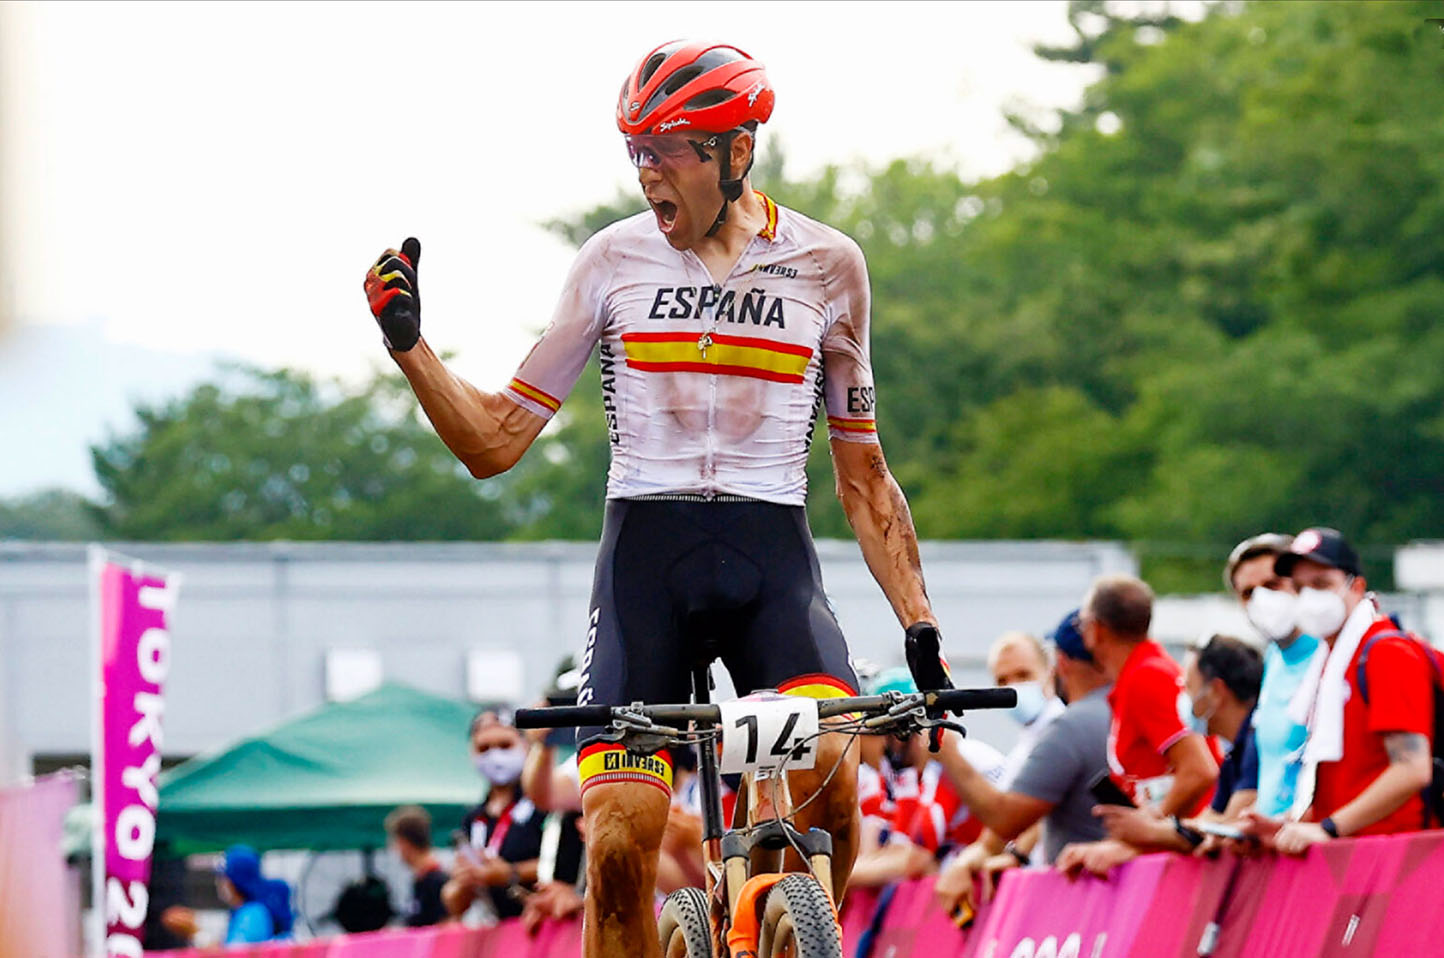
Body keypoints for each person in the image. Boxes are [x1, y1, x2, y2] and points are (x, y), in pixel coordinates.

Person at [364, 40, 953, 958]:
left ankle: (784, 927)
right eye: (636, 151)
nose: (646, 173)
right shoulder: (612, 260)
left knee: (833, 781)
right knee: (616, 845)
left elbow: (864, 472)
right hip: (646, 566)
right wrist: (411, 347)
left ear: (737, 151)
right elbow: (494, 442)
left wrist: (920, 626)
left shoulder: (829, 264)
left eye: (669, 150)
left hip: (771, 563)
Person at [1245, 528, 1437, 854]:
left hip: (1396, 855)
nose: (1309, 598)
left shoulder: (1386, 653)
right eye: (1299, 588)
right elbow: (1344, 777)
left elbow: (1412, 769)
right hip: (1354, 854)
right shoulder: (1330, 663)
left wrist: (1329, 828)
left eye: (1321, 584)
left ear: (1356, 587)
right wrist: (1290, 826)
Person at [934, 610, 1110, 915]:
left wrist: (949, 754)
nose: (1013, 686)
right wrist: (970, 860)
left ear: (1051, 672)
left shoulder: (1062, 730)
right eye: (1002, 680)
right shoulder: (1024, 748)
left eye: (1023, 675)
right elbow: (997, 834)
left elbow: (1012, 817)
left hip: (1078, 893)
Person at [1055, 575, 1219, 877]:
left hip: (1185, 863)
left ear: (1097, 629)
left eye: (1082, 624)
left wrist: (1146, 834)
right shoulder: (1139, 675)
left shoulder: (1147, 677)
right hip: (1177, 854)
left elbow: (1200, 770)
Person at [1086, 635, 1263, 859]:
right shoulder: (1235, 754)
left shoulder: (1257, 743)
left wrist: (1150, 830)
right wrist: (1149, 830)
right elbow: (1211, 822)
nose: (1182, 699)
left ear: (1217, 691)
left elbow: (1230, 828)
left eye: (1188, 688)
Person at [1225, 533, 1321, 818]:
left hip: (1311, 833)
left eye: (1272, 585)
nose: (1261, 600)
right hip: (1272, 836)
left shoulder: (1330, 655)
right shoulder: (1274, 658)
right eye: (1248, 593)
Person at [444, 710, 544, 921]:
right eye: (484, 748)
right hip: (501, 927)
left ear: (525, 745)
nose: (495, 756)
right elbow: (456, 904)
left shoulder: (545, 801)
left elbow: (568, 862)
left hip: (547, 922)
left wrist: (511, 873)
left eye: (505, 745)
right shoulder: (474, 818)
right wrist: (464, 882)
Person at [384, 805, 449, 927]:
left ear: (404, 843)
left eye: (395, 842)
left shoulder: (438, 881)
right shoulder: (420, 879)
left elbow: (445, 927)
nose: (393, 849)